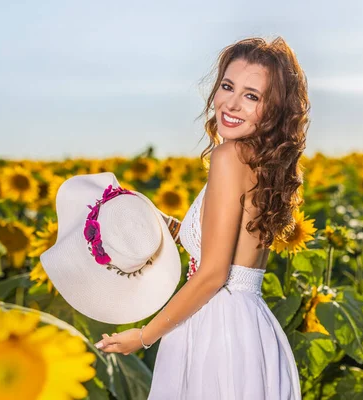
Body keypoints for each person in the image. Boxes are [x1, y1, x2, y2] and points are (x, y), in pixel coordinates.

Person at [94, 36, 308, 399]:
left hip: (216, 327)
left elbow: (212, 274)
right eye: (228, 86)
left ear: (273, 109)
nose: (232, 103)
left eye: (252, 96)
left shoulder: (230, 157)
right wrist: (168, 224)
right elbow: (228, 248)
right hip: (247, 326)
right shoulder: (262, 163)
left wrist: (143, 336)